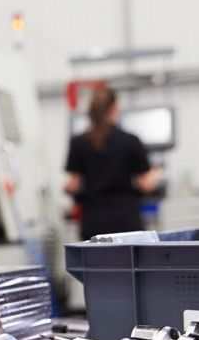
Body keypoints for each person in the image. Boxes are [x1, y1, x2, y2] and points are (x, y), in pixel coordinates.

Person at [64, 86, 162, 239]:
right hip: (126, 222)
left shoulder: (78, 142)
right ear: (114, 108)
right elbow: (146, 185)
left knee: (94, 262)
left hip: (93, 222)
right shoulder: (130, 141)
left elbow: (72, 186)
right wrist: (155, 173)